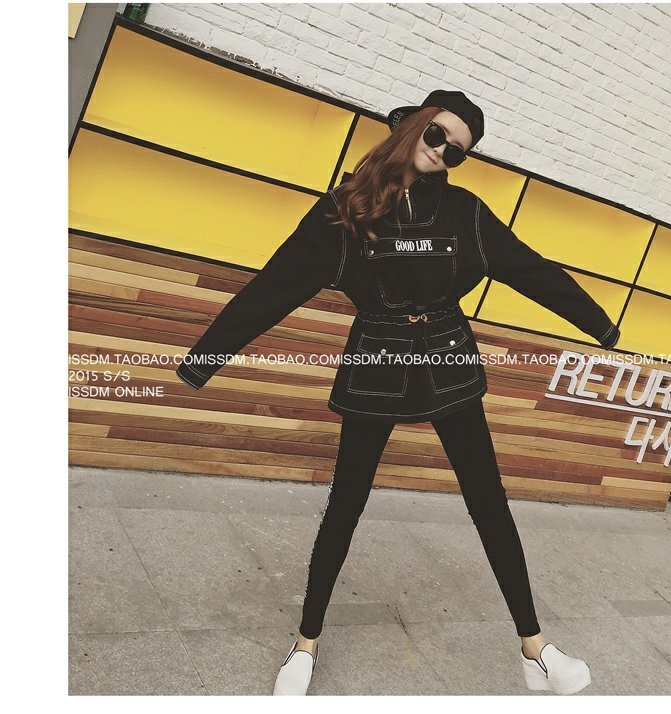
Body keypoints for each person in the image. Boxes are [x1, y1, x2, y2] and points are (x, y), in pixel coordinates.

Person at [175, 90, 621, 696]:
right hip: (377, 363)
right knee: (346, 501)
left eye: (457, 151)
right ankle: (305, 645)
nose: (441, 153)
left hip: (447, 359)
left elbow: (530, 269)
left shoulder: (465, 213)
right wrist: (205, 359)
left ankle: (535, 650)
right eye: (437, 135)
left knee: (489, 500)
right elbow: (274, 286)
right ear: (413, 124)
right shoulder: (345, 210)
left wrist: (599, 325)